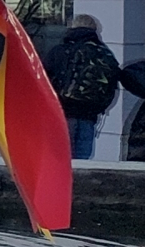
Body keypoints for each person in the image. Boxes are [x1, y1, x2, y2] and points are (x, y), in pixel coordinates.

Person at [41, 15, 140, 159]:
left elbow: (44, 79)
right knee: (82, 160)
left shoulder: (60, 51)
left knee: (59, 158)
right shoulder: (105, 53)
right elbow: (112, 82)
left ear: (71, 28)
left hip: (64, 112)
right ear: (95, 30)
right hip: (90, 115)